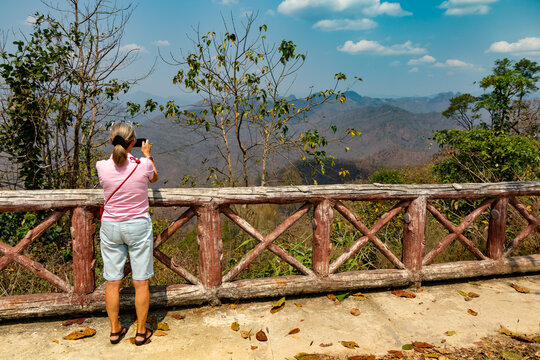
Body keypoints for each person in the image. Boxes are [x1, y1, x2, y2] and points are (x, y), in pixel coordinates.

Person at [96, 122, 158, 346]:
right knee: (141, 282)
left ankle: (114, 330)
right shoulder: (143, 165)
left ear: (111, 142)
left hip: (111, 227)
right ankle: (140, 332)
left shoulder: (101, 166)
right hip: (138, 226)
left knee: (113, 282)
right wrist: (148, 155)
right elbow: (154, 178)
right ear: (134, 142)